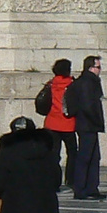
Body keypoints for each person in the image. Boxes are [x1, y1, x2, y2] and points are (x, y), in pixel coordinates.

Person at [64, 55, 106, 200]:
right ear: (90, 67)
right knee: (85, 157)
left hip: (88, 124)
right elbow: (88, 105)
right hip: (87, 124)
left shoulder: (89, 81)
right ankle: (81, 188)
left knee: (94, 157)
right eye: (98, 67)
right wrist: (96, 120)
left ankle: (91, 188)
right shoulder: (87, 82)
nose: (100, 70)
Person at [39, 58, 77, 190]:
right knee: (72, 153)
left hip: (52, 122)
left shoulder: (51, 83)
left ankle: (54, 182)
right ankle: (71, 179)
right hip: (68, 123)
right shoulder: (72, 84)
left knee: (54, 154)